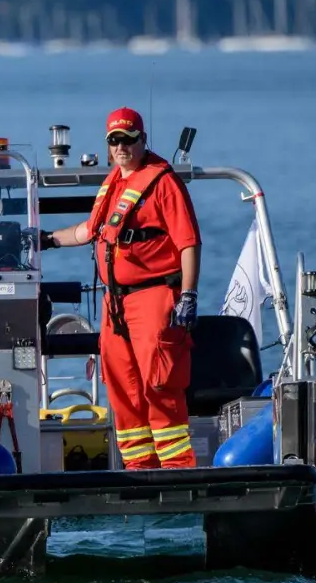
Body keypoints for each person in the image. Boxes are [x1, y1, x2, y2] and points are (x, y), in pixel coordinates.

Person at [36, 107, 202, 469]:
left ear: (143, 140)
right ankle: (139, 468)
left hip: (154, 297)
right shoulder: (115, 182)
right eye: (114, 140)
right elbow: (89, 230)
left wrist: (189, 295)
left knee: (159, 383)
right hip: (116, 304)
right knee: (122, 387)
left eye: (128, 139)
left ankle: (177, 469)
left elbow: (189, 243)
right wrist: (46, 239)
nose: (121, 147)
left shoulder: (163, 182)